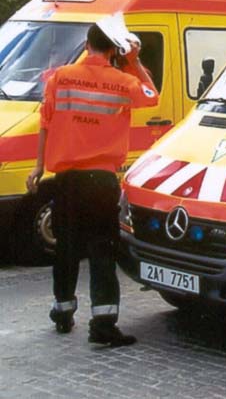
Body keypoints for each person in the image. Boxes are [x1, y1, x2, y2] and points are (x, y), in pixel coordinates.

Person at [26, 24, 159, 346]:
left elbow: (45, 123)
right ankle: (102, 324)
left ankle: (62, 311)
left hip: (66, 180)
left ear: (87, 44)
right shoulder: (123, 81)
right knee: (102, 249)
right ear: (113, 49)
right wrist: (133, 61)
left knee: (66, 248)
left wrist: (39, 166)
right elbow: (151, 96)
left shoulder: (60, 77)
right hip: (100, 181)